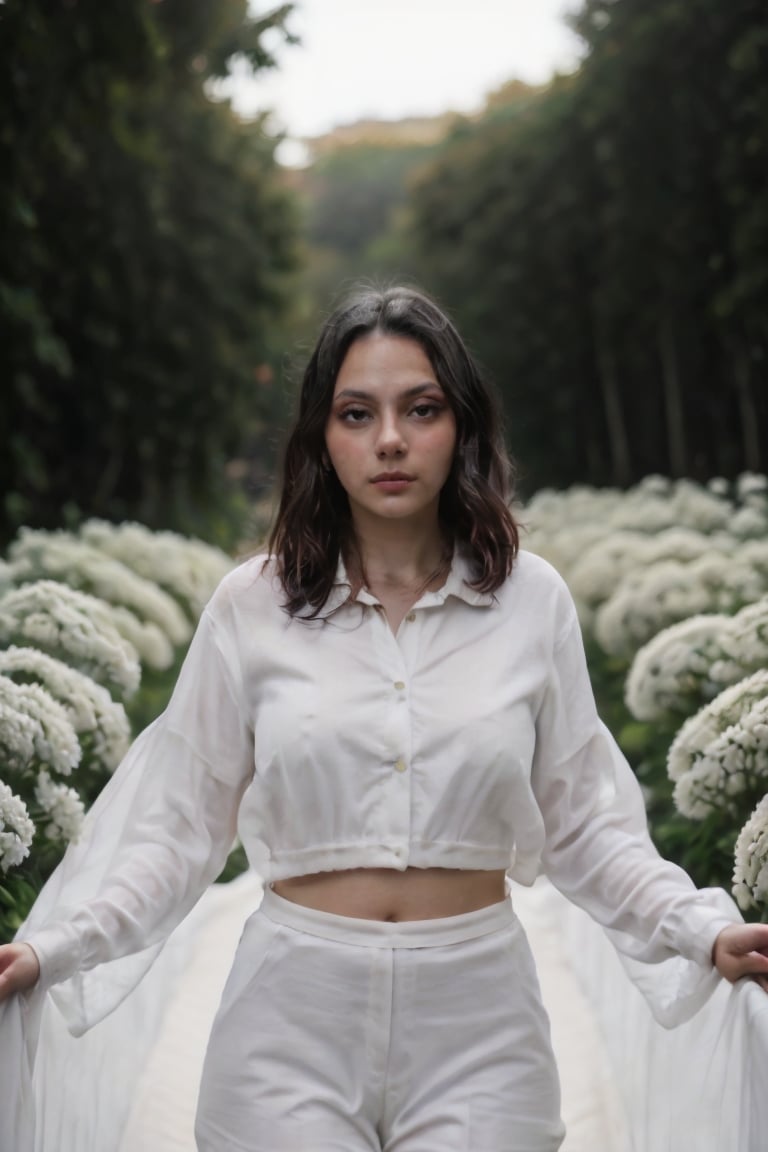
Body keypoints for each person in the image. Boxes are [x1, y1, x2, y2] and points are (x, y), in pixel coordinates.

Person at [1, 284, 768, 1152]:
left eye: (422, 409)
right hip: (287, 1023)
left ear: (462, 427)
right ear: (322, 440)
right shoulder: (250, 607)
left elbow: (585, 823)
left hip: (482, 1026)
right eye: (357, 413)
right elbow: (178, 826)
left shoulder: (531, 602)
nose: (391, 440)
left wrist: (702, 929)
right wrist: (51, 949)